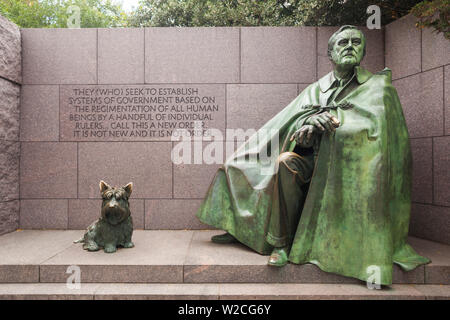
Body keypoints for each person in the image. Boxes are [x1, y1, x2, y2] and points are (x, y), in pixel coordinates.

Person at [196, 25, 430, 285]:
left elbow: (381, 139)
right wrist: (305, 129)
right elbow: (291, 124)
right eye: (342, 43)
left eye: (355, 42)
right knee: (273, 162)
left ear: (364, 50)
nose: (349, 46)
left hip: (347, 169)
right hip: (311, 160)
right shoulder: (316, 89)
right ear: (330, 53)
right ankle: (276, 243)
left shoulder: (379, 88)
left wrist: (334, 123)